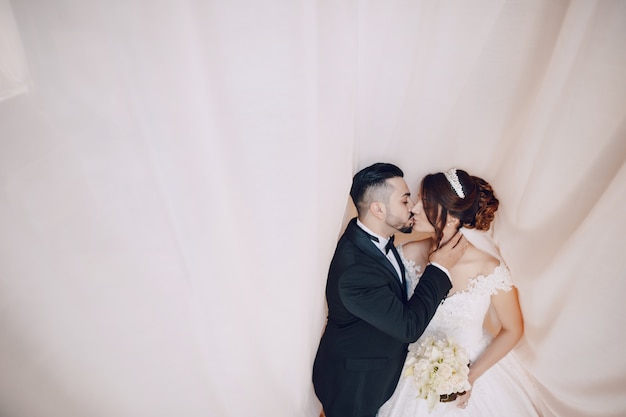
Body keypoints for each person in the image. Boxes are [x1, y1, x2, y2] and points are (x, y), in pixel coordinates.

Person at [378, 168, 541, 417]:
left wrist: (469, 376)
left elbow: (513, 329)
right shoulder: (406, 253)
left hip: (474, 368)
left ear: (452, 217)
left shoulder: (489, 268)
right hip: (412, 369)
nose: (414, 208)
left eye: (425, 202)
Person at [312, 162, 468, 417]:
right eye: (405, 201)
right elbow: (409, 327)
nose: (414, 209)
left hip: (381, 374)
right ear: (378, 209)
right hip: (354, 384)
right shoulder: (355, 269)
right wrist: (439, 268)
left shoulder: (376, 243)